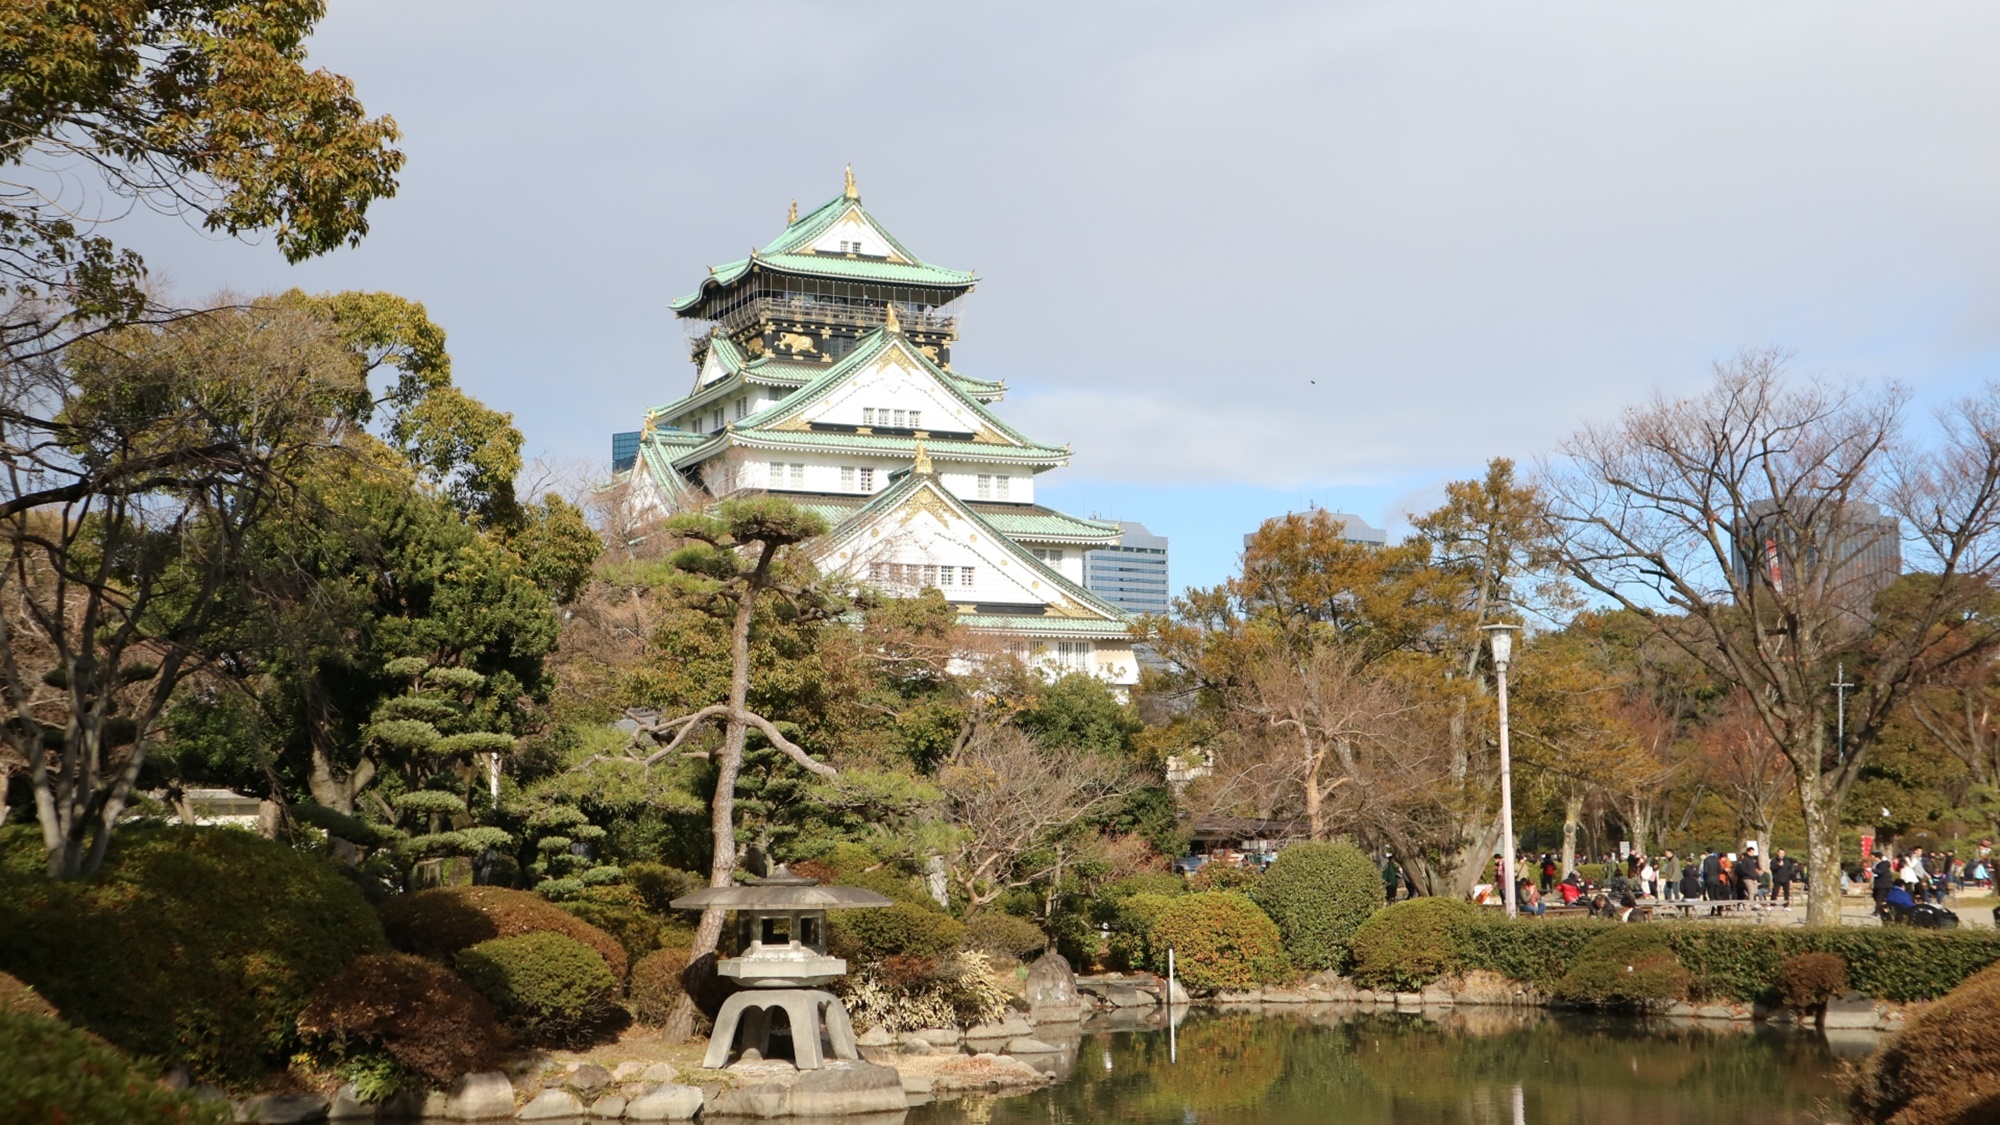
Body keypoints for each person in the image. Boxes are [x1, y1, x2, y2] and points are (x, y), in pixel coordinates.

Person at [1872, 852, 1897, 917]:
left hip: (1883, 884)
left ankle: (1876, 913)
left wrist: (1872, 870)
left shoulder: (1882, 864)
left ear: (1877, 857)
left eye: (1873, 857)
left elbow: (1881, 872)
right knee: (1881, 899)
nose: (1872, 858)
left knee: (1879, 898)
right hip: (1884, 884)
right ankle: (1883, 911)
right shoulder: (1882, 864)